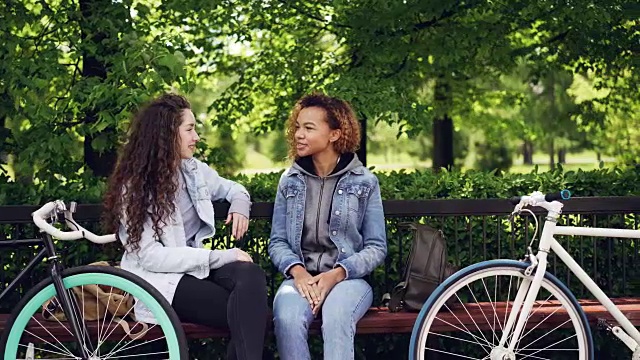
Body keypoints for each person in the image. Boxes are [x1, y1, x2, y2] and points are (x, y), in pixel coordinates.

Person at [103, 93, 267, 360]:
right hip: (157, 281)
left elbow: (233, 188)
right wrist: (221, 256)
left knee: (251, 277)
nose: (196, 137)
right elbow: (150, 256)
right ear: (167, 134)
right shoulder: (136, 186)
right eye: (189, 129)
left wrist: (239, 204)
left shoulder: (193, 171)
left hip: (191, 271)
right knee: (247, 311)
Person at [268, 93, 387, 360]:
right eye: (297, 126)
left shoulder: (365, 181)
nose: (299, 134)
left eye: (309, 128)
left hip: (349, 280)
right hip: (301, 280)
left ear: (334, 134)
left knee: (336, 316)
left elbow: (376, 247)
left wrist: (337, 274)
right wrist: (298, 273)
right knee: (287, 317)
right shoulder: (289, 181)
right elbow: (277, 241)